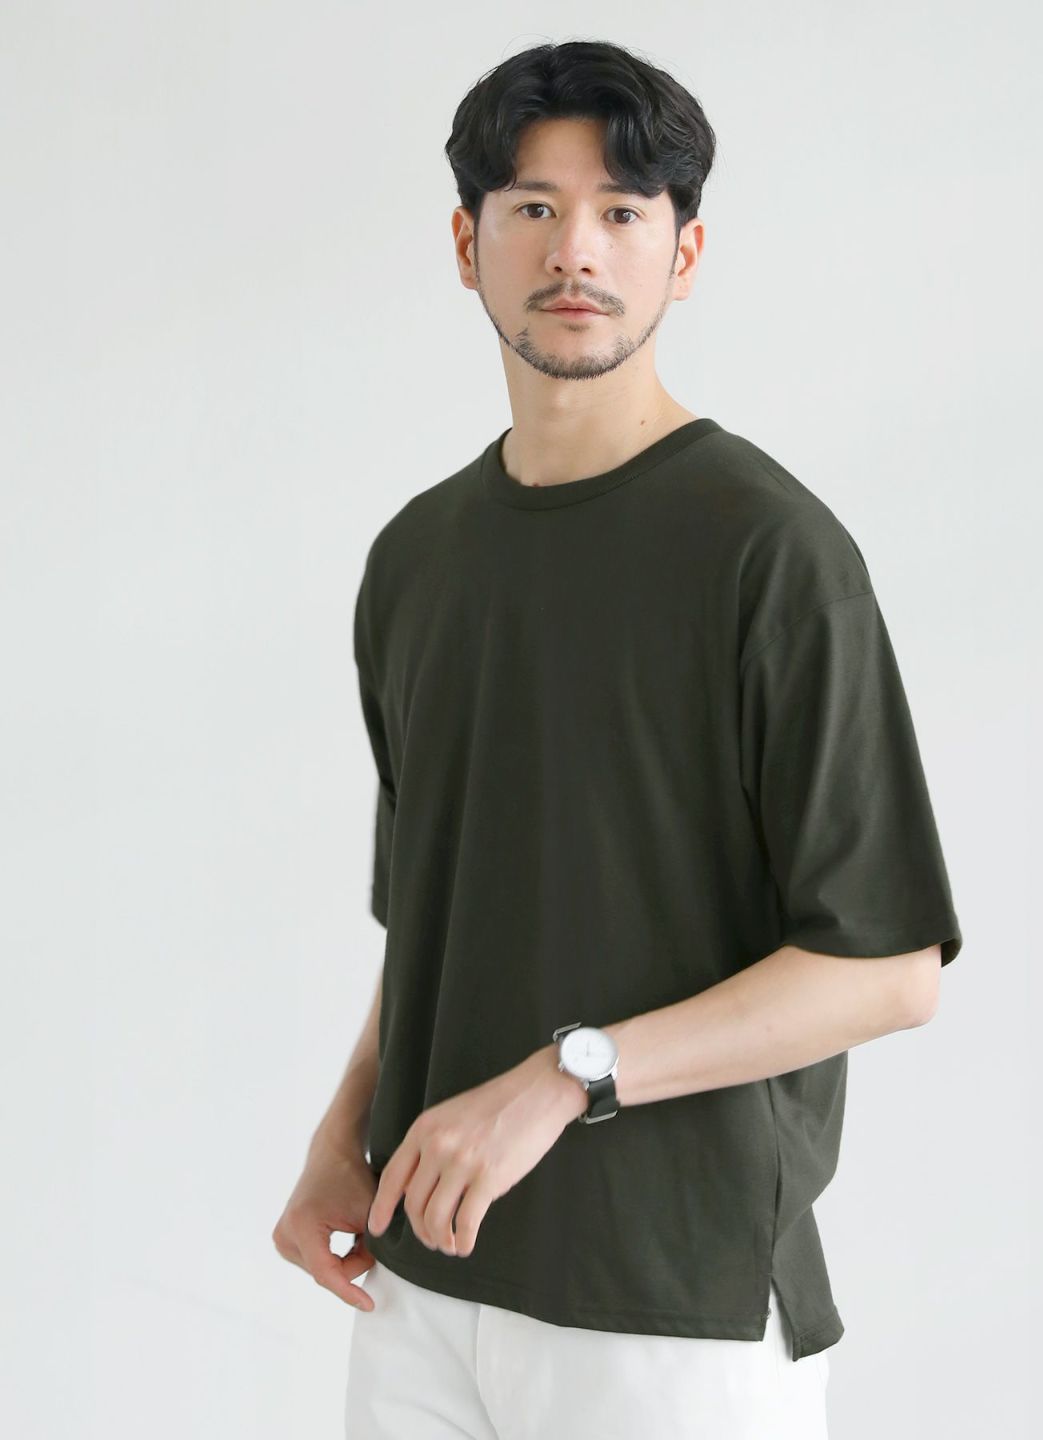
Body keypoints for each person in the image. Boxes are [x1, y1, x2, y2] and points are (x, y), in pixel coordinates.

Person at [272, 38, 963, 1440]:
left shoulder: (770, 554)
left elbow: (887, 970)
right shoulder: (417, 559)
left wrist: (566, 1076)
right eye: (532, 207)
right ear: (465, 245)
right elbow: (434, 916)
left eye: (622, 212)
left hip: (670, 1304)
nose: (574, 249)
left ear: (683, 255)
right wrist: (345, 1132)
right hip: (426, 1284)